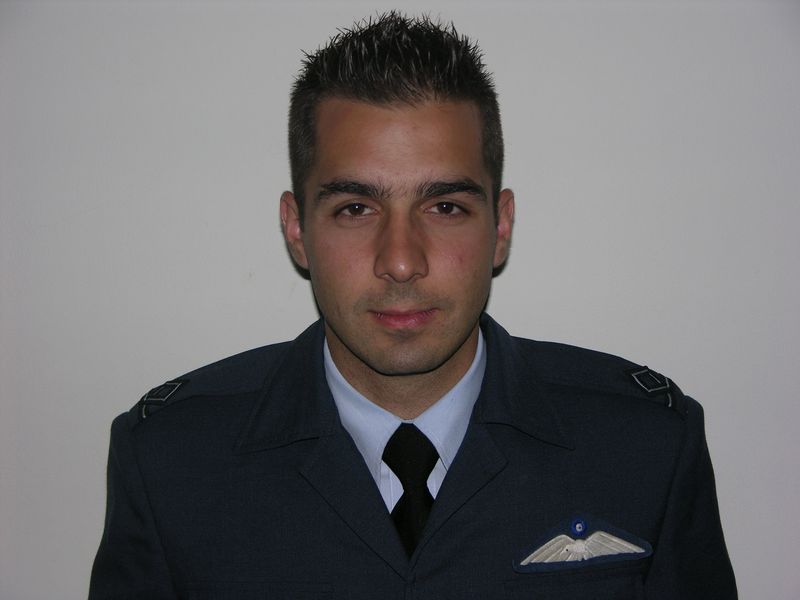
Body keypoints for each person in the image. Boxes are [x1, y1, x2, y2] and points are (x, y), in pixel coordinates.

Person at [89, 13, 736, 599]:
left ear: (500, 226)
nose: (401, 262)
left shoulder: (644, 447)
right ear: (296, 229)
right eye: (356, 208)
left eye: (445, 206)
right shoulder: (172, 463)